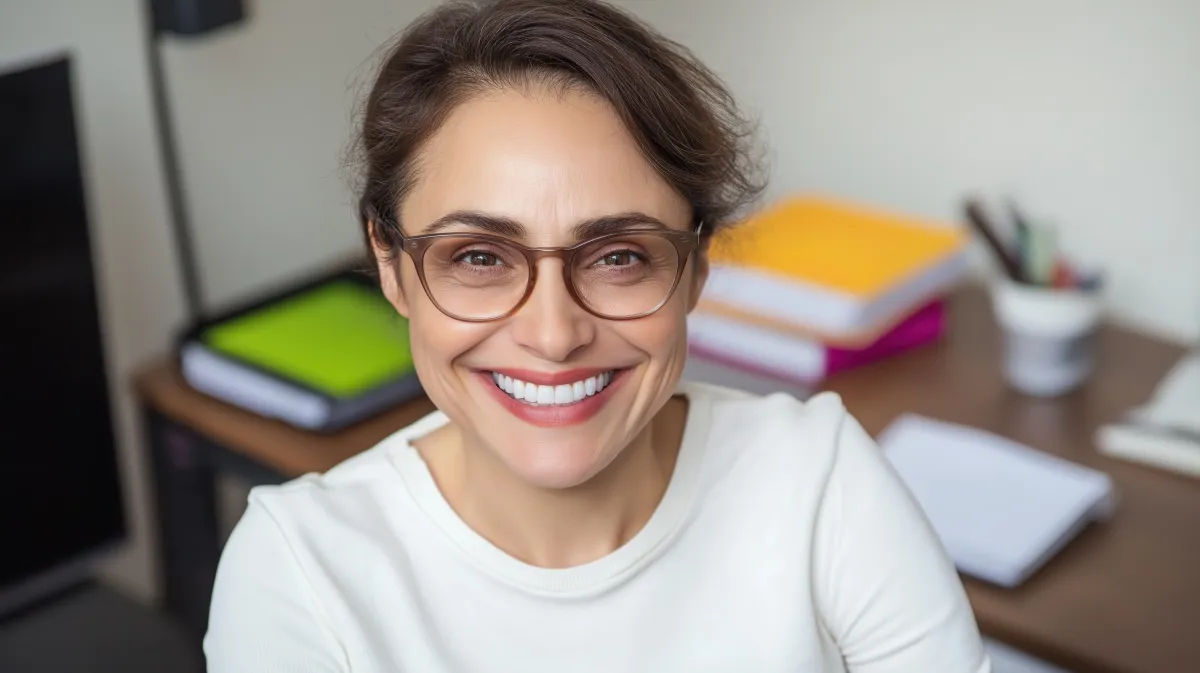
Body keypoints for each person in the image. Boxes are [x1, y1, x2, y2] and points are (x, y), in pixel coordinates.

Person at [204, 1, 991, 671]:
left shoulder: (820, 484)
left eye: (618, 257)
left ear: (696, 265)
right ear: (391, 264)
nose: (554, 334)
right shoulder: (299, 572)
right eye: (479, 257)